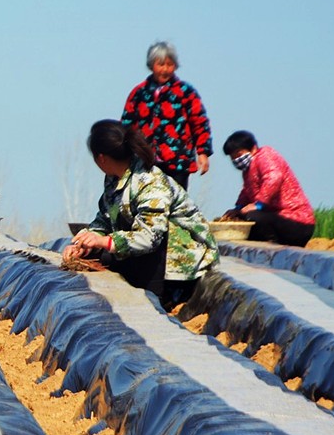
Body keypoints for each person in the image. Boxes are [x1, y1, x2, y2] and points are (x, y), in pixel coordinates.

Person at [64, 119, 218, 309]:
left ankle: (159, 300)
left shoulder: (150, 183)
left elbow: (149, 237)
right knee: (94, 257)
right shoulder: (114, 179)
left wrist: (104, 242)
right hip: (142, 250)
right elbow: (105, 218)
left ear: (101, 158)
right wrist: (87, 241)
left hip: (178, 261)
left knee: (133, 251)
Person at [121, 41, 212, 190]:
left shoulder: (185, 92)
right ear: (151, 65)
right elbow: (127, 124)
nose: (165, 69)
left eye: (170, 65)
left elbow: (199, 122)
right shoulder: (139, 93)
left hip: (178, 160)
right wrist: (125, 153)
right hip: (146, 159)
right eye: (161, 64)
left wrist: (203, 152)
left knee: (176, 201)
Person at [221, 130, 315, 247]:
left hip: (297, 221)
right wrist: (238, 209)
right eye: (233, 158)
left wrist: (259, 204)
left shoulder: (265, 156)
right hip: (274, 218)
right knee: (241, 219)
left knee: (253, 217)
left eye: (239, 155)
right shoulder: (247, 171)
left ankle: (271, 246)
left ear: (253, 149)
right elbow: (246, 192)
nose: (236, 160)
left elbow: (274, 177)